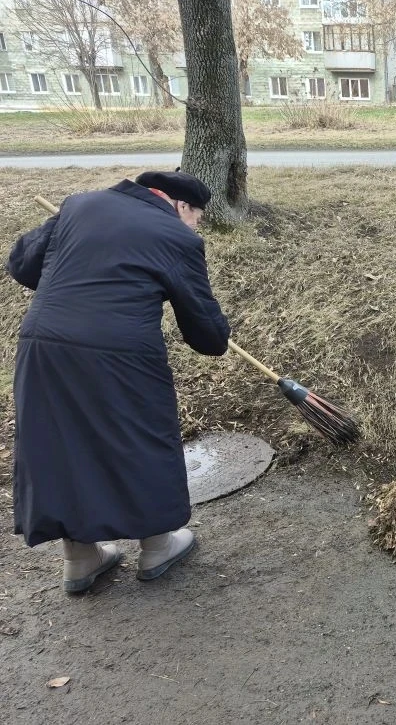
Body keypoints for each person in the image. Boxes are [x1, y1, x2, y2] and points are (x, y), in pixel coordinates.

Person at [7, 170, 231, 593]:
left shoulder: (80, 205)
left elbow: (21, 265)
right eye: (197, 219)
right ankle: (157, 547)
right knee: (141, 438)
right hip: (121, 354)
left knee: (60, 442)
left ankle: (80, 559)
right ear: (181, 205)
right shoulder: (176, 236)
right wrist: (219, 329)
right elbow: (208, 336)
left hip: (45, 345)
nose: (195, 227)